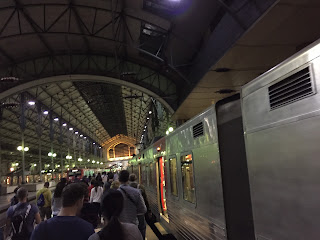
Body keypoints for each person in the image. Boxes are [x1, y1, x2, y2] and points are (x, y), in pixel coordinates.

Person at [129, 174, 151, 239]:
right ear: (136, 179)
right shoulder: (140, 187)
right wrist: (148, 210)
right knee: (142, 227)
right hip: (140, 212)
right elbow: (145, 199)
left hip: (131, 212)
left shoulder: (127, 188)